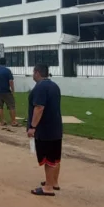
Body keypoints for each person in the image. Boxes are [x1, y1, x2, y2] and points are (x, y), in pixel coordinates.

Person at [26, 64, 63, 196]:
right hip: (56, 127)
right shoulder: (54, 86)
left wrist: (32, 127)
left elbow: (39, 108)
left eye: (33, 72)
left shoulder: (40, 87)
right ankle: (53, 182)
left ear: (37, 73)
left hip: (45, 129)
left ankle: (48, 187)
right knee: (55, 156)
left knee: (48, 158)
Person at [0, 58, 18, 130]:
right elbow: (11, 81)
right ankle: (13, 121)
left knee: (0, 106)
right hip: (6, 91)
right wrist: (12, 90)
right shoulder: (7, 71)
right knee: (11, 106)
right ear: (5, 62)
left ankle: (2, 121)